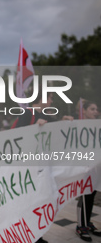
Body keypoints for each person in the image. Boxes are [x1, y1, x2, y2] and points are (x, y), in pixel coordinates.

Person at [15, 91, 73, 243]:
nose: (51, 101)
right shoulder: (28, 114)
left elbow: (56, 125)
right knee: (29, 202)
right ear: (40, 98)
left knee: (39, 202)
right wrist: (34, 126)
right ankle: (30, 235)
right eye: (50, 98)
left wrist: (64, 120)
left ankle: (36, 235)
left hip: (40, 168)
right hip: (28, 168)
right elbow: (16, 136)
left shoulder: (45, 115)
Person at [76, 100, 101, 242]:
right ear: (84, 110)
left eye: (96, 109)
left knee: (92, 193)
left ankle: (87, 222)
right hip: (84, 166)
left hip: (96, 166)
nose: (95, 112)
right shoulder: (78, 126)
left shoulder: (96, 126)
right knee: (85, 195)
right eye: (92, 109)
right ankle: (81, 225)